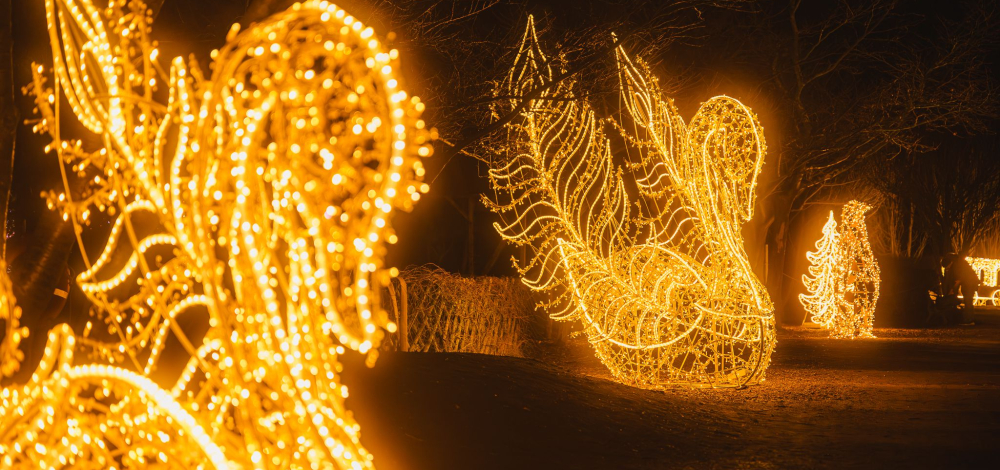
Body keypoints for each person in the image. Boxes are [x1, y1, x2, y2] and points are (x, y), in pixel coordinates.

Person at [942, 252, 979, 324]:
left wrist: (953, 290)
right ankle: (969, 318)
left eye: (948, 267)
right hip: (969, 283)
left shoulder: (958, 265)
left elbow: (958, 280)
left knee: (968, 300)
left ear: (950, 262)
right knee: (968, 300)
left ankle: (969, 319)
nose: (948, 269)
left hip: (969, 283)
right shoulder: (958, 262)